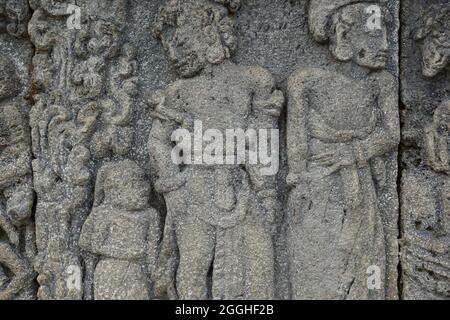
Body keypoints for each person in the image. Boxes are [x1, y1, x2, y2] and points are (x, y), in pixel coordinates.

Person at [149, 0, 283, 299]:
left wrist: (268, 195)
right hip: (194, 188)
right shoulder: (178, 92)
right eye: (168, 48)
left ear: (209, 33)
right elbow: (158, 141)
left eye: (181, 43)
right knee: (193, 266)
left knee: (260, 264)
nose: (173, 55)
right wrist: (174, 190)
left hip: (243, 188)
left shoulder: (254, 80)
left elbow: (264, 142)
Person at [287, 0, 399, 299]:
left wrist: (357, 152)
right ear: (343, 34)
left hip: (361, 187)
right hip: (317, 188)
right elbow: (296, 144)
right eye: (374, 34)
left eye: (386, 34)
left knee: (368, 265)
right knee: (317, 268)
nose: (386, 45)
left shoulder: (382, 83)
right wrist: (298, 182)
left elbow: (391, 135)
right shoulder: (304, 82)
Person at [79, 160, 160, 300]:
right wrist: (127, 253)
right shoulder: (103, 213)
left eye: (144, 183)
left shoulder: (150, 214)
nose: (144, 189)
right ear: (114, 190)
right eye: (135, 184)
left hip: (138, 271)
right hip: (110, 270)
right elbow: (88, 243)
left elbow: (153, 247)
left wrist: (155, 271)